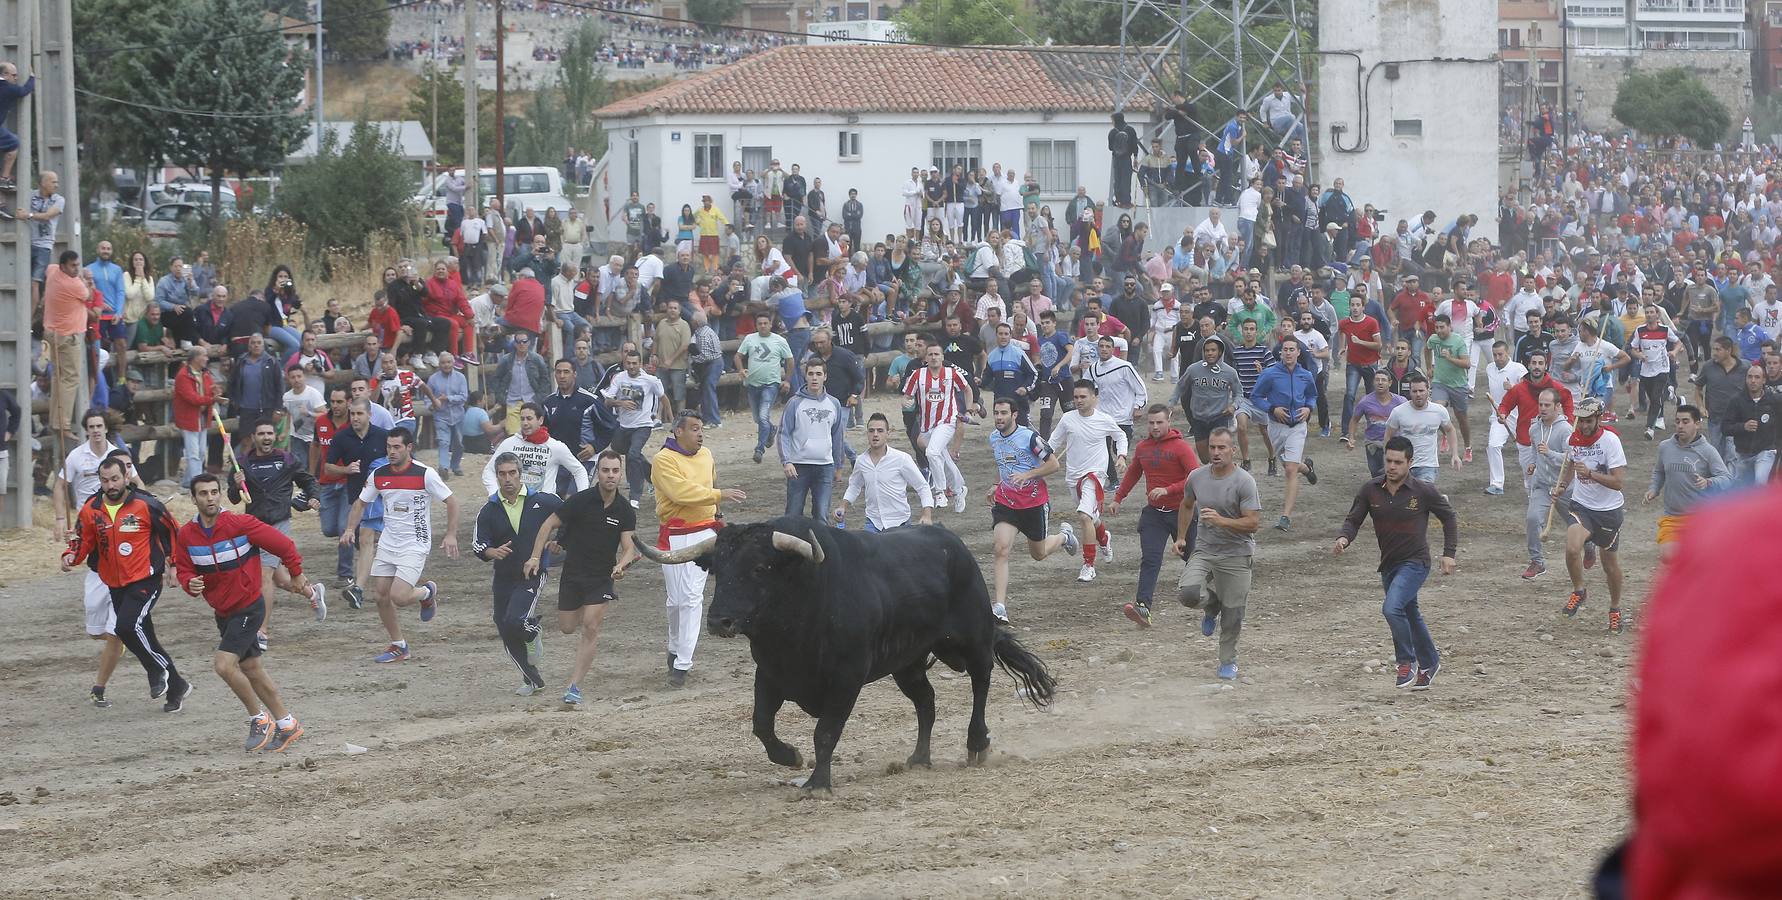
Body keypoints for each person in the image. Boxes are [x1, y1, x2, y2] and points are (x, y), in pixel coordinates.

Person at [172, 474, 311, 751]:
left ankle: (259, 720)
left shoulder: (240, 524)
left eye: (214, 492)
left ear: (221, 494)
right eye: (203, 493)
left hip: (248, 606)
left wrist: (296, 575)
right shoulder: (186, 534)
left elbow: (284, 546)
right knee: (251, 668)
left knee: (224, 665)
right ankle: (287, 724)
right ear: (194, 498)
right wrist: (190, 583)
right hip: (223, 611)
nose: (210, 497)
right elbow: (184, 568)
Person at [62, 456, 190, 711]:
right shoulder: (91, 508)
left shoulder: (146, 504)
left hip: (146, 579)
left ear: (126, 477)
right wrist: (70, 556)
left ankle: (156, 671)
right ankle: (177, 686)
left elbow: (173, 531)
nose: (110, 485)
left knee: (126, 627)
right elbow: (83, 539)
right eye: (105, 480)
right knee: (145, 636)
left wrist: (174, 565)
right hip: (114, 582)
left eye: (115, 479)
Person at [1334, 435, 1459, 690]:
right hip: (1388, 565)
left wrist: (1449, 553)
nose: (1392, 467)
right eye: (1388, 461)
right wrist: (1344, 538)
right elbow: (1354, 519)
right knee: (1409, 613)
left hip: (1415, 563)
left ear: (1409, 463)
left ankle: (1406, 661)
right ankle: (1430, 662)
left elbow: (1449, 518)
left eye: (1398, 462)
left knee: (1392, 609)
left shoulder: (1423, 491)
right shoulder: (1370, 489)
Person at [521, 451, 638, 707]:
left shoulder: (625, 509)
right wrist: (535, 556)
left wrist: (621, 564)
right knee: (567, 627)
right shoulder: (581, 501)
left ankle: (574, 686)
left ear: (621, 473)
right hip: (573, 574)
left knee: (591, 626)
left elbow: (629, 547)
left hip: (602, 577)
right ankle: (535, 631)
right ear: (598, 472)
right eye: (605, 470)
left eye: (615, 471)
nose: (610, 475)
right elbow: (547, 525)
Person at [341, 427, 460, 663]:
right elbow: (360, 503)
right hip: (388, 541)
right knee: (380, 595)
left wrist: (451, 534)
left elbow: (452, 501)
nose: (392, 452)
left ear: (409, 448)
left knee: (400, 596)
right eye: (388, 447)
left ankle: (427, 592)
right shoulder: (379, 474)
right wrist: (348, 529)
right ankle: (399, 645)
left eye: (397, 447)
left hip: (415, 543)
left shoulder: (425, 474)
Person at [53, 411, 145, 708]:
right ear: (86, 431)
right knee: (97, 630)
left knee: (117, 629)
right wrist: (63, 528)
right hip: (89, 530)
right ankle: (120, 638)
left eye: (99, 426)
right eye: (90, 427)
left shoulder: (119, 458)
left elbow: (139, 486)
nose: (95, 431)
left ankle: (102, 679)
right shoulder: (77, 457)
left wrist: (146, 504)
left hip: (121, 541)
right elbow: (59, 486)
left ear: (106, 429)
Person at [650, 412, 746, 687]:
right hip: (674, 534)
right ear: (678, 432)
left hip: (704, 533)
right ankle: (674, 645)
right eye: (694, 429)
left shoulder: (706, 456)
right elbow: (681, 492)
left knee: (692, 597)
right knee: (676, 601)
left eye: (701, 428)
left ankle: (682, 663)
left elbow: (709, 485)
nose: (700, 434)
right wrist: (719, 495)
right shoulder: (663, 460)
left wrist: (717, 514)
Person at [1173, 427, 1263, 679]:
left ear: (1233, 450)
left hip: (1237, 553)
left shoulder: (1244, 481)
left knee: (1233, 614)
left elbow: (1253, 523)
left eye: (1222, 447)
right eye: (1212, 447)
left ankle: (1227, 662)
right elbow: (1187, 504)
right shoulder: (1197, 477)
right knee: (1188, 593)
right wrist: (1181, 537)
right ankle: (1211, 606)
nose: (1215, 452)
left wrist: (1223, 522)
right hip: (1204, 549)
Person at [984, 397, 1081, 624]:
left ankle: (1064, 537)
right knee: (1000, 549)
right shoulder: (994, 438)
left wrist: (1027, 475)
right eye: (996, 413)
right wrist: (996, 484)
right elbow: (1003, 466)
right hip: (1006, 503)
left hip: (1034, 504)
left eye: (1003, 413)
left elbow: (1054, 464)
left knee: (1038, 554)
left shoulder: (1029, 437)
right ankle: (999, 607)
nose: (999, 417)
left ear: (1014, 415)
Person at [472, 452, 562, 696]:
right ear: (497, 476)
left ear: (520, 475)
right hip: (502, 577)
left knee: (516, 620)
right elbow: (478, 544)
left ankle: (532, 631)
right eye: (502, 474)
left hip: (532, 574)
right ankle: (532, 680)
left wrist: (559, 542)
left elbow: (570, 517)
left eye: (512, 473)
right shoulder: (489, 510)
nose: (508, 478)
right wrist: (492, 551)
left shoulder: (544, 501)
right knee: (504, 626)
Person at [230, 418, 327, 636]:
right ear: (253, 437)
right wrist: (237, 485)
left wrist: (313, 497)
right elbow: (234, 498)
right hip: (253, 527)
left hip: (278, 524)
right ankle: (313, 593)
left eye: (269, 434)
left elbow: (308, 481)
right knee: (282, 579)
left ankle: (261, 631)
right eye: (261, 434)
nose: (266, 437)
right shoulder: (241, 463)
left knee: (264, 577)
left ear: (275, 437)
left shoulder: (287, 459)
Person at [1110, 404, 1200, 627]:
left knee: (1192, 559)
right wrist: (1118, 498)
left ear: (1169, 421)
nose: (1155, 426)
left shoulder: (1181, 447)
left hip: (1182, 511)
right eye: (1151, 422)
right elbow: (1133, 473)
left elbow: (1195, 477)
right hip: (1154, 515)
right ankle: (1143, 607)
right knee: (1150, 559)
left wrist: (1168, 490)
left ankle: (1216, 594)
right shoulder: (1142, 447)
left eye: (1159, 422)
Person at [1552, 398, 1630, 634]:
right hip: (1582, 505)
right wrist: (1563, 486)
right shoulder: (1573, 440)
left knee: (1609, 565)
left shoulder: (1610, 442)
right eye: (1580, 421)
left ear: (1598, 419)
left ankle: (1615, 609)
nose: (1583, 426)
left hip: (1608, 512)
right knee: (1572, 547)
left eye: (1588, 421)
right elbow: (1570, 465)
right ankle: (1579, 590)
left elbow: (1618, 482)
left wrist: (1591, 474)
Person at [1048, 379, 1129, 582]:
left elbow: (1120, 436)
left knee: (1084, 516)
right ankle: (1103, 537)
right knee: (1091, 518)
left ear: (1095, 398)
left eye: (1083, 397)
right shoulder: (1067, 419)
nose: (1078, 400)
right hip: (1073, 476)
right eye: (1075, 397)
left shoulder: (1104, 419)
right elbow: (1052, 443)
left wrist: (1121, 456)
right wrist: (1037, 462)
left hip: (1095, 475)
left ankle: (1088, 564)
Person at [1250, 338, 1319, 531]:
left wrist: (1308, 408)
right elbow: (1256, 396)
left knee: (1289, 469)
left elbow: (1313, 395)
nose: (1288, 353)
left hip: (1297, 425)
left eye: (1292, 350)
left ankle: (1285, 517)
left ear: (1298, 353)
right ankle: (1306, 469)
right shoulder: (1269, 374)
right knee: (1290, 465)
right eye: (1285, 350)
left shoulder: (1306, 375)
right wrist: (1272, 409)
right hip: (1276, 427)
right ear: (1280, 353)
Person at [1645, 404, 1730, 560]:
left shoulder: (1708, 451)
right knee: (1668, 557)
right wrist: (1654, 489)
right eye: (1677, 421)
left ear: (1697, 424)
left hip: (1700, 518)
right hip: (1672, 517)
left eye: (1685, 421)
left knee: (1696, 562)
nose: (1680, 426)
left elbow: (1726, 479)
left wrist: (1708, 482)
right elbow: (1659, 471)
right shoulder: (1665, 447)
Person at [903, 344, 974, 513]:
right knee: (943, 458)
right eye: (930, 354)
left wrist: (969, 410)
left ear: (942, 357)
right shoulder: (917, 375)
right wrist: (906, 402)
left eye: (937, 354)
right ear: (926, 358)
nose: (934, 357)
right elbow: (906, 396)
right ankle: (959, 489)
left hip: (947, 421)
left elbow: (968, 389)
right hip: (927, 426)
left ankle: (940, 491)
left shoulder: (951, 373)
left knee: (932, 453)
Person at [778, 357, 848, 523]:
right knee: (793, 515)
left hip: (825, 466)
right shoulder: (794, 403)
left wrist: (838, 466)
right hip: (798, 466)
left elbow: (837, 436)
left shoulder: (834, 404)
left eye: (818, 374)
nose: (814, 378)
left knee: (821, 515)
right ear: (805, 376)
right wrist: (786, 461)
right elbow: (783, 433)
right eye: (811, 374)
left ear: (825, 376)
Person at [837, 412, 933, 532]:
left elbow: (922, 486)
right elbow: (854, 486)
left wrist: (926, 515)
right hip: (873, 522)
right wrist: (843, 506)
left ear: (888, 433)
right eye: (871, 431)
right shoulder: (861, 461)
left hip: (900, 523)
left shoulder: (902, 459)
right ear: (867, 434)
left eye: (880, 431)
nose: (875, 434)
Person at [1496, 350, 1573, 495]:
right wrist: (1503, 415)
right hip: (1526, 441)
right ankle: (1535, 502)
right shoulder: (1519, 389)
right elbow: (1505, 404)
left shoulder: (1556, 387)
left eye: (1540, 363)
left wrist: (1569, 420)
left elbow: (1568, 400)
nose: (1537, 366)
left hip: (1553, 440)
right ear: (1528, 365)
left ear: (1546, 366)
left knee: (1557, 473)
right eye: (1534, 363)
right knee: (1530, 477)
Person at [482, 401, 588, 499]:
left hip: (544, 507)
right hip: (515, 504)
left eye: (529, 418)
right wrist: (494, 494)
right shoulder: (509, 443)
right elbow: (489, 470)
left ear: (540, 420)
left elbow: (579, 470)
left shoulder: (555, 446)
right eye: (522, 419)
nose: (525, 423)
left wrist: (582, 498)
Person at [1520, 387, 1574, 580]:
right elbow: (1535, 449)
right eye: (1540, 404)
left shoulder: (1566, 430)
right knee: (1533, 519)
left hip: (1564, 487)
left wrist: (1549, 453)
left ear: (1557, 407)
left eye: (1547, 405)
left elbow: (1571, 459)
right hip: (1542, 485)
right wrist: (1534, 463)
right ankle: (1537, 562)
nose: (1542, 408)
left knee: (1576, 524)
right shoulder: (1534, 428)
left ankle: (1589, 546)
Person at [600, 349, 666, 504]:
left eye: (634, 363)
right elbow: (607, 401)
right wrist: (620, 403)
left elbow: (663, 397)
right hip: (623, 426)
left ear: (640, 364)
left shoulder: (650, 380)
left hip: (643, 425)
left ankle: (635, 496)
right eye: (628, 363)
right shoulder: (619, 378)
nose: (631, 366)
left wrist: (669, 419)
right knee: (621, 449)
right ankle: (654, 477)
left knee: (633, 454)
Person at [1383, 373, 1461, 484]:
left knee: (1421, 495)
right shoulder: (1398, 412)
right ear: (1410, 392)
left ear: (1428, 391)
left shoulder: (1439, 411)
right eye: (1414, 391)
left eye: (1421, 391)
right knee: (1405, 498)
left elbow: (1450, 430)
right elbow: (1388, 436)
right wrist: (1388, 460)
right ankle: (1441, 499)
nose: (1418, 394)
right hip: (1403, 464)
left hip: (1428, 465)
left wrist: (1455, 454)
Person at [736, 312, 793, 464]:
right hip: (752, 384)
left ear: (770, 324)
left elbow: (790, 360)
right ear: (756, 325)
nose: (762, 326)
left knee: (762, 416)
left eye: (765, 323)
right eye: (759, 323)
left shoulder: (779, 340)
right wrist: (741, 369)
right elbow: (738, 356)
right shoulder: (750, 339)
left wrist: (787, 380)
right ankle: (771, 430)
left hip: (771, 384)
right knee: (758, 418)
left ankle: (759, 449)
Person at [1481, 341, 1526, 496]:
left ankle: (1534, 481)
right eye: (1495, 355)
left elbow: (1528, 389)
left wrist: (1513, 388)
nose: (1497, 358)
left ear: (1508, 353)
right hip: (1498, 415)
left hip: (1520, 416)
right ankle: (1496, 484)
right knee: (1493, 445)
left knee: (1526, 449)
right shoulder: (1489, 368)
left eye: (1500, 354)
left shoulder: (1519, 369)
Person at [1426, 314, 1473, 459]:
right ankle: (1446, 434)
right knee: (1436, 411)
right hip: (1440, 382)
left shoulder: (1458, 341)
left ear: (1449, 326)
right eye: (1437, 327)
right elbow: (1426, 349)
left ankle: (1467, 447)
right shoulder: (1433, 339)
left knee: (1462, 418)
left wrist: (1450, 358)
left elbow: (1467, 364)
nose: (1439, 331)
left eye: (1442, 327)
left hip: (1458, 385)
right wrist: (1429, 367)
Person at [1724, 363, 1777, 486]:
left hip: (1765, 451)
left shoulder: (1773, 400)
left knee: (1760, 484)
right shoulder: (1736, 401)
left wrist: (1776, 447)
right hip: (1743, 453)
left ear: (1764, 380)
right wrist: (1743, 427)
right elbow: (1725, 428)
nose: (1753, 381)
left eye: (1757, 377)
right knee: (1741, 490)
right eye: (1750, 377)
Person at [428, 359, 471, 476]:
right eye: (443, 362)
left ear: (453, 363)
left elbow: (463, 397)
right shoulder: (433, 379)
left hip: (458, 416)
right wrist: (431, 405)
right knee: (443, 441)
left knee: (459, 443)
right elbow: (428, 397)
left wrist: (447, 398)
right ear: (439, 364)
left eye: (448, 362)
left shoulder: (460, 377)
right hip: (440, 415)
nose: (446, 365)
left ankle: (455, 465)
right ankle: (444, 468)